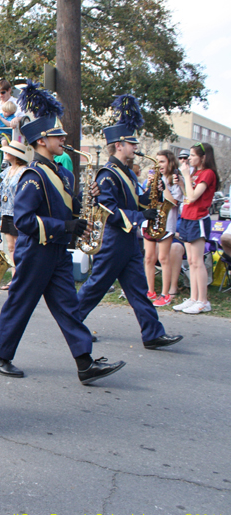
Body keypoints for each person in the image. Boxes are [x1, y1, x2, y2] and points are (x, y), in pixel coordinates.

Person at [0, 80, 126, 385]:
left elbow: (66, 210)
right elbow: (23, 221)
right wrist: (66, 227)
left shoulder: (62, 173)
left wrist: (84, 209)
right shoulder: (32, 176)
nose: (63, 139)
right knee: (20, 304)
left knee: (69, 307)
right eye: (57, 135)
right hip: (36, 251)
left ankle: (85, 362)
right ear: (41, 141)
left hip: (58, 251)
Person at [76, 95, 183, 349]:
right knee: (96, 287)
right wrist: (141, 217)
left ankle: (153, 333)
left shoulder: (128, 174)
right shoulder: (107, 175)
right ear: (119, 145)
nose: (136, 147)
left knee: (138, 290)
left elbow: (136, 203)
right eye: (132, 143)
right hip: (113, 241)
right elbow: (110, 212)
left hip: (128, 241)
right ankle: (71, 323)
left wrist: (153, 197)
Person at [172, 142, 218, 314]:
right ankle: (193, 298)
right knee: (190, 261)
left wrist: (185, 175)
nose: (189, 158)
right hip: (187, 216)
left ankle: (203, 301)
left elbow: (193, 197)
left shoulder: (208, 173)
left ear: (203, 157)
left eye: (192, 155)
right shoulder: (196, 173)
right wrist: (182, 183)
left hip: (198, 219)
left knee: (198, 261)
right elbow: (187, 195)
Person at [143, 150, 183, 307]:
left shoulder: (174, 180)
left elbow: (174, 202)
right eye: (157, 161)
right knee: (149, 257)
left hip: (166, 222)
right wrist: (149, 185)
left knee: (164, 258)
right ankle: (150, 291)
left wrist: (163, 186)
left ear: (170, 163)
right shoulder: (152, 177)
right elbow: (144, 200)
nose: (159, 165)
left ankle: (165, 294)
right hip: (150, 222)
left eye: (162, 161)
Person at [0, 140, 31, 289]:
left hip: (17, 212)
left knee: (19, 246)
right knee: (10, 246)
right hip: (5, 212)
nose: (6, 153)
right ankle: (14, 278)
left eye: (9, 152)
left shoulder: (24, 171)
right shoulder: (7, 171)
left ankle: (22, 278)